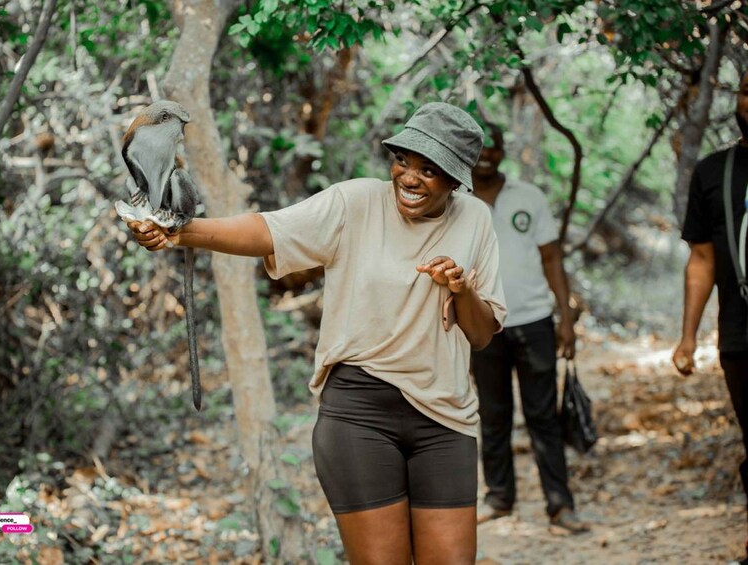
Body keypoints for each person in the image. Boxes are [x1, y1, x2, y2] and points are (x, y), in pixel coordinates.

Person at [127, 102, 507, 564]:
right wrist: (179, 232)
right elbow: (267, 230)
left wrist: (462, 288)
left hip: (446, 422)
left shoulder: (475, 220)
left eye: (429, 170)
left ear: (455, 179)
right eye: (403, 160)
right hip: (359, 417)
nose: (409, 177)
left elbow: (483, 334)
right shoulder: (355, 202)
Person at [469, 123, 590, 534]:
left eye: (494, 147)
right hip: (483, 324)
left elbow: (552, 258)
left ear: (504, 151)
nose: (486, 155)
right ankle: (499, 498)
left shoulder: (529, 196)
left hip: (534, 320)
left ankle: (560, 505)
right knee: (493, 414)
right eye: (479, 148)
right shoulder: (455, 199)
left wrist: (566, 318)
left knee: (544, 416)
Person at [673, 70, 748, 563]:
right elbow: (701, 259)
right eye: (747, 90)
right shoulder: (714, 172)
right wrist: (687, 337)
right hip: (742, 336)